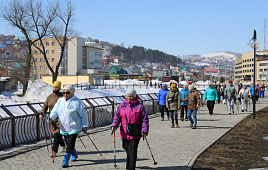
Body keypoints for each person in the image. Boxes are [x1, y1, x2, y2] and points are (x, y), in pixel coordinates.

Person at [50, 85, 88, 168]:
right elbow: (54, 111)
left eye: (67, 93)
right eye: (63, 93)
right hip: (63, 126)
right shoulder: (60, 101)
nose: (65, 94)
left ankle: (65, 160)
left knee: (70, 143)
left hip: (74, 126)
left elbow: (83, 115)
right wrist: (51, 117)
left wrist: (85, 125)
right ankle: (74, 154)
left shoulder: (77, 102)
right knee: (68, 142)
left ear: (72, 93)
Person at [111, 89, 149, 170]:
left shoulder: (140, 106)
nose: (129, 97)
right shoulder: (121, 106)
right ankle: (131, 161)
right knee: (125, 147)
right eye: (127, 96)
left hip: (135, 132)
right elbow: (117, 118)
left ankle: (130, 168)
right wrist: (114, 125)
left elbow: (144, 119)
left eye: (131, 96)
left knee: (132, 151)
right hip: (124, 132)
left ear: (134, 97)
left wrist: (144, 130)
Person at [40, 81, 65, 157]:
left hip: (61, 119)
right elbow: (45, 106)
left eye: (57, 87)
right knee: (57, 134)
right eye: (54, 87)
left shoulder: (62, 97)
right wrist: (42, 113)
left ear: (59, 88)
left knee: (57, 135)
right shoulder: (49, 97)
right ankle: (63, 145)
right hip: (53, 119)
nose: (55, 88)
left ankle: (54, 151)